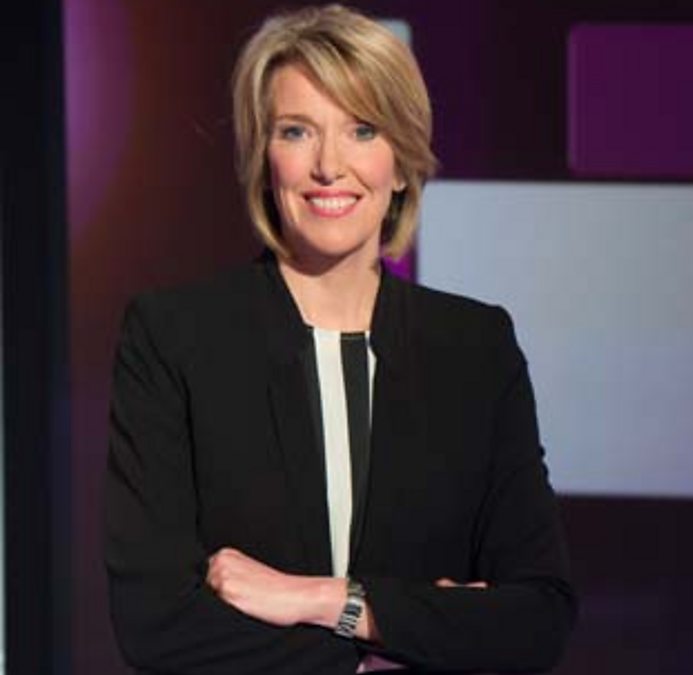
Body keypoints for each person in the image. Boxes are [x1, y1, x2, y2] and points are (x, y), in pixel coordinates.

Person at [104, 5, 576, 673]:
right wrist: (394, 645)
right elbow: (156, 623)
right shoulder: (174, 338)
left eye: (362, 129)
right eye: (297, 131)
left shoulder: (475, 348)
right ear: (264, 160)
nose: (329, 165)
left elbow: (536, 619)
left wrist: (328, 601)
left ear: (402, 162)